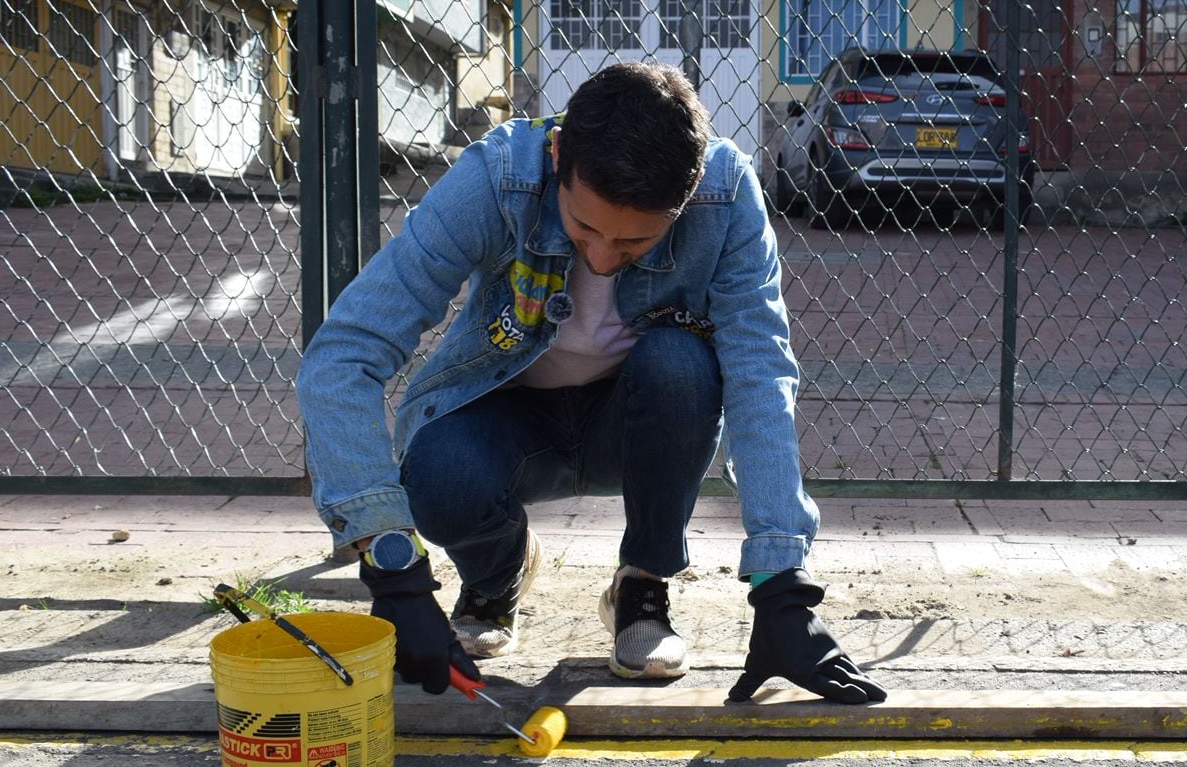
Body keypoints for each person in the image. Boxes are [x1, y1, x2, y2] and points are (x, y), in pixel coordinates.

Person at [296, 61, 885, 706]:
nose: (602, 257)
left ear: (684, 200)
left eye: (635, 242)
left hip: (637, 428)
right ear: (558, 160)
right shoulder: (497, 177)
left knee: (683, 364)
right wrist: (393, 570)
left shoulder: (725, 193)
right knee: (439, 476)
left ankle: (642, 588)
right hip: (509, 421)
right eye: (583, 228)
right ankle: (498, 578)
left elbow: (760, 371)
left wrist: (783, 585)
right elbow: (345, 353)